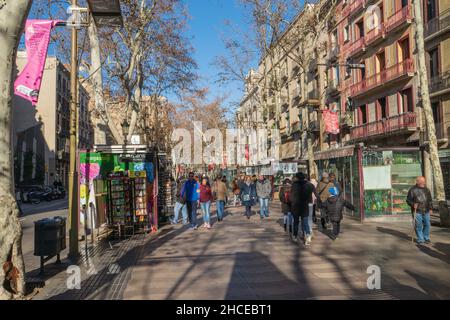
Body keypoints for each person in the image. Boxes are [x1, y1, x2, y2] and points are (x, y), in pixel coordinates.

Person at [290, 172, 318, 246]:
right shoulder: (310, 185)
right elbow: (316, 193)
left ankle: (295, 236)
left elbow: (291, 197)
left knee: (296, 222)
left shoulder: (294, 185)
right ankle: (308, 235)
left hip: (296, 207)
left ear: (297, 177)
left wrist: (291, 204)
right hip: (305, 207)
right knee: (305, 222)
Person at [407, 176, 433, 244]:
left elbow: (430, 200)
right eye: (421, 181)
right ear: (417, 182)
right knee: (419, 225)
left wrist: (430, 208)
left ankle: (426, 237)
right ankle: (420, 239)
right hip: (417, 210)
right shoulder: (412, 190)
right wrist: (413, 204)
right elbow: (408, 200)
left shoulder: (427, 189)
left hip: (426, 210)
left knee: (427, 224)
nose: (423, 183)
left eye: (424, 181)